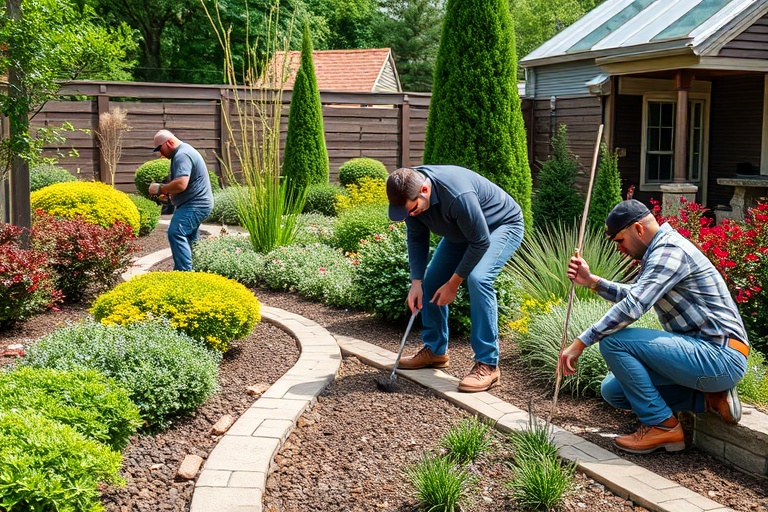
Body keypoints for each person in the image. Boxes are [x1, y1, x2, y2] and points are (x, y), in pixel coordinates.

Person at [559, 199, 750, 454]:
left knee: (614, 342)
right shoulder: (660, 251)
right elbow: (638, 294)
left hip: (720, 356)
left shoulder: (669, 251)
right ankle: (709, 397)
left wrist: (581, 342)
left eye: (620, 240)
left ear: (638, 229)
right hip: (704, 355)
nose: (620, 249)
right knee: (614, 390)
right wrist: (592, 281)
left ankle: (662, 426)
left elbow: (634, 305)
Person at [386, 165, 525, 392]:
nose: (410, 215)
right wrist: (416, 283)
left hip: (500, 226)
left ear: (424, 190)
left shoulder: (457, 196)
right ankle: (435, 351)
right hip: (461, 231)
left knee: (479, 279)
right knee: (431, 281)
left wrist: (453, 284)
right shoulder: (408, 192)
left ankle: (488, 364)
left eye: (413, 209)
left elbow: (480, 241)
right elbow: (417, 237)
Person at [148, 130, 214, 271]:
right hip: (197, 203)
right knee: (190, 237)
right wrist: (170, 194)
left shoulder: (182, 155)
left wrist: (161, 188)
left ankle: (184, 273)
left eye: (160, 149)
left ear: (170, 142)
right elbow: (185, 185)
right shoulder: (184, 151)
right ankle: (199, 269)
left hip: (195, 205)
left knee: (176, 232)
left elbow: (181, 184)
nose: (160, 154)